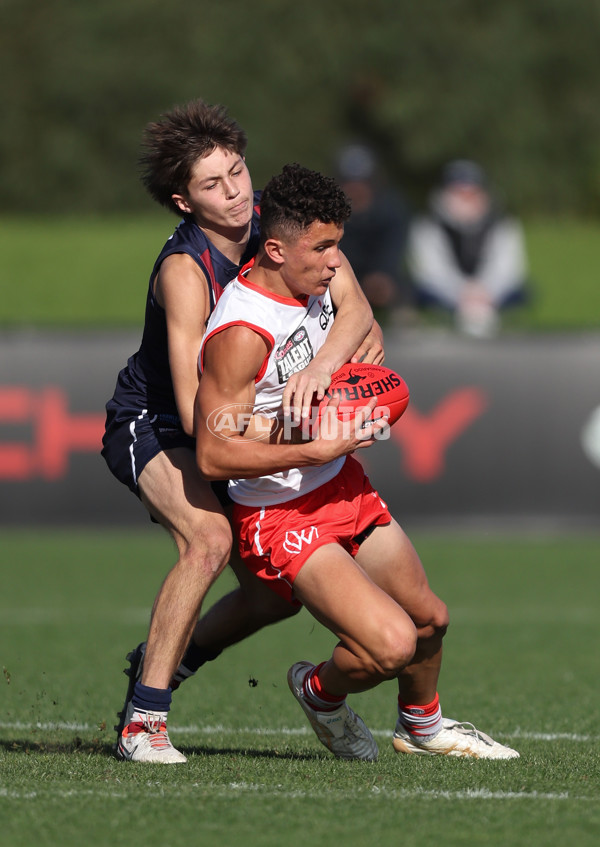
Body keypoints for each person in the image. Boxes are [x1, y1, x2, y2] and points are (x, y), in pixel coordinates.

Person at [194, 163, 519, 761]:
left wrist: (322, 372)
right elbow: (214, 450)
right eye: (322, 248)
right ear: (275, 249)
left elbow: (358, 309)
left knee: (429, 621)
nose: (335, 260)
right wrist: (315, 443)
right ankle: (318, 693)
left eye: (338, 244)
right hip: (280, 513)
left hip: (339, 482)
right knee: (390, 646)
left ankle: (422, 728)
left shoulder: (321, 267)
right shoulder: (242, 332)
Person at [101, 100, 383, 764]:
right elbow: (202, 414)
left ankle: (170, 654)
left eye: (237, 171)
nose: (235, 192)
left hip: (242, 421)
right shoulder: (185, 271)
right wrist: (297, 421)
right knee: (207, 539)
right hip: (158, 423)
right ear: (182, 201)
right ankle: (144, 721)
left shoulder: (273, 227)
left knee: (274, 595)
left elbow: (358, 309)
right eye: (212, 184)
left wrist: (322, 368)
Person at [407, 159, 529, 338]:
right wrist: (462, 293)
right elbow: (430, 272)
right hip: (448, 294)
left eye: (471, 193)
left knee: (523, 290)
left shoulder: (503, 223)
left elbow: (509, 270)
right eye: (458, 193)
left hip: (489, 295)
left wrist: (485, 293)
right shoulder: (428, 225)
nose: (465, 200)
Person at [334, 144, 411, 321]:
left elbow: (394, 251)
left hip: (378, 276)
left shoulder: (391, 211)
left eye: (361, 183)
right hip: (338, 274)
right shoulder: (329, 214)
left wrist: (382, 274)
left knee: (390, 288)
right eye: (349, 183)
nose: (355, 189)